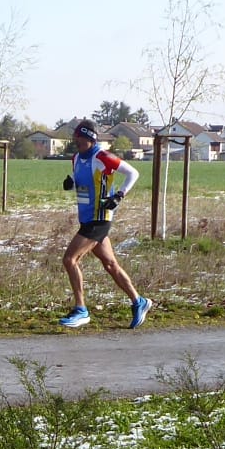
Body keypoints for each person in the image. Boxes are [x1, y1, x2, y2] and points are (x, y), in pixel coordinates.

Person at [58, 120, 153, 329]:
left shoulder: (103, 157)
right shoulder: (76, 158)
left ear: (92, 139)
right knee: (110, 265)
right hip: (86, 217)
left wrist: (119, 195)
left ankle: (81, 310)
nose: (78, 143)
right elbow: (82, 179)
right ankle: (139, 301)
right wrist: (70, 183)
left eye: (82, 140)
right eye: (76, 139)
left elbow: (133, 173)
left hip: (99, 218)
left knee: (69, 259)